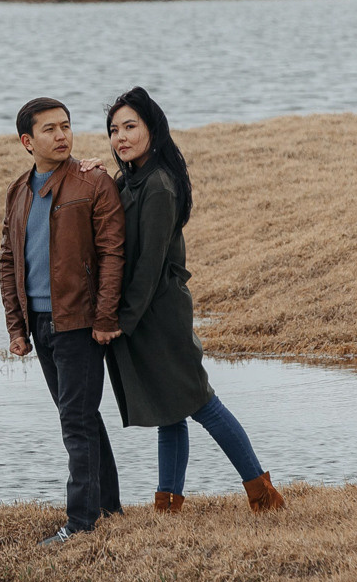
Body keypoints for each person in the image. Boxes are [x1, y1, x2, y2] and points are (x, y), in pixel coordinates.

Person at [101, 87, 286, 514]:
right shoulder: (131, 179)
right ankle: (168, 504)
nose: (121, 137)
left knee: (200, 402)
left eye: (130, 126)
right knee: (170, 411)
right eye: (114, 130)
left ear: (153, 129)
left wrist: (120, 321)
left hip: (159, 315)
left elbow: (148, 267)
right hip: (145, 313)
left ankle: (262, 494)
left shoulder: (160, 185)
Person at [0, 96, 128, 545]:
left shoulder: (93, 182)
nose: (62, 135)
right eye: (50, 129)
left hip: (79, 322)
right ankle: (108, 508)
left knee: (75, 420)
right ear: (27, 142)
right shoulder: (19, 190)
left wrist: (105, 316)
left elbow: (113, 253)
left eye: (66, 126)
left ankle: (81, 523)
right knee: (81, 416)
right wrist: (17, 327)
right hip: (39, 322)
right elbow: (8, 259)